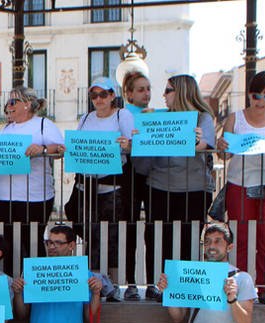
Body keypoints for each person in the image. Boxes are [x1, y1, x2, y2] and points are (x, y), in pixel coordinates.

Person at [0, 88, 63, 273]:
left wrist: (42, 149)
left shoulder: (44, 124)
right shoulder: (6, 129)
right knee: (9, 243)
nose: (8, 107)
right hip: (6, 196)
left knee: (32, 242)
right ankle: (13, 284)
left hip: (35, 196)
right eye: (8, 103)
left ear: (27, 104)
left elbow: (60, 149)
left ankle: (37, 285)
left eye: (13, 102)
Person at [218, 71, 265, 298]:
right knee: (240, 238)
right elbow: (224, 155)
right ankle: (239, 289)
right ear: (249, 94)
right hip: (240, 183)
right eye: (257, 95)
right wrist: (222, 144)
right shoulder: (235, 118)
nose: (261, 101)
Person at [138, 75, 217, 282]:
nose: (163, 95)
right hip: (159, 186)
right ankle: (158, 285)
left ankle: (184, 289)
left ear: (181, 91)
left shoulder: (203, 118)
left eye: (168, 90)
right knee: (157, 239)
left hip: (194, 189)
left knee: (188, 241)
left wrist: (195, 139)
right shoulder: (159, 118)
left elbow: (205, 145)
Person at [13, 224, 104, 323]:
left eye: (58, 243)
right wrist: (18, 293)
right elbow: (21, 314)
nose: (52, 247)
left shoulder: (84, 275)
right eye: (49, 242)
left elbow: (89, 315)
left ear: (71, 245)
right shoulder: (33, 273)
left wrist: (96, 293)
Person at [62, 76, 135, 277]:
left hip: (112, 187)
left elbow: (132, 145)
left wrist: (126, 145)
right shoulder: (86, 118)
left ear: (112, 95)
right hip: (86, 187)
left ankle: (112, 281)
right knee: (90, 236)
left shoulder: (123, 115)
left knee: (111, 237)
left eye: (103, 94)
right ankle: (94, 281)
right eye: (94, 95)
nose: (98, 99)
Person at [120, 71, 154, 300]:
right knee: (130, 230)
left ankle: (153, 282)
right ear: (129, 93)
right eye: (141, 89)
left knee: (152, 230)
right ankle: (130, 283)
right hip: (130, 173)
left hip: (153, 175)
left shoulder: (155, 115)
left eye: (148, 89)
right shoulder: (123, 115)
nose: (146, 93)